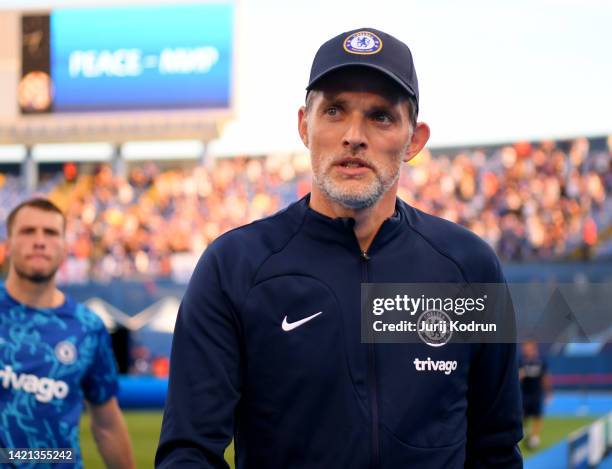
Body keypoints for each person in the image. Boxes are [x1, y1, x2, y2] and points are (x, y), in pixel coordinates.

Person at [156, 27, 523, 468]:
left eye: (380, 116)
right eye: (334, 110)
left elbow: (496, 449)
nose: (354, 135)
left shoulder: (470, 267)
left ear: (415, 139)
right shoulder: (234, 266)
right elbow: (189, 452)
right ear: (303, 126)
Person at [0, 198, 135, 469]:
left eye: (50, 233)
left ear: (65, 245)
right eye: (28, 231)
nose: (39, 241)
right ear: (9, 243)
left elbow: (106, 423)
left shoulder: (88, 328)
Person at [519, 339, 552, 450]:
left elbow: (545, 378)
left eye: (528, 347)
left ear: (533, 347)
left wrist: (548, 393)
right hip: (523, 394)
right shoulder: (520, 361)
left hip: (536, 394)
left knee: (537, 415)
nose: (526, 349)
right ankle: (523, 433)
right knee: (524, 415)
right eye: (524, 347)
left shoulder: (541, 361)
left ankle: (535, 438)